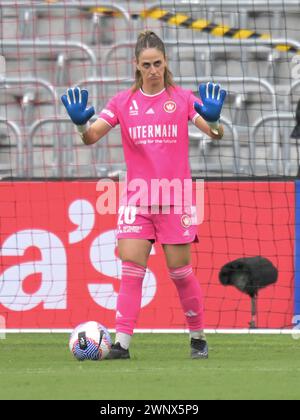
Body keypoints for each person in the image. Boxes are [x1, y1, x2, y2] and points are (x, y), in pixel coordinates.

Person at [61, 31, 226, 359]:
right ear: (136, 65)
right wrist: (81, 125)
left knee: (179, 273)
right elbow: (91, 137)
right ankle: (121, 344)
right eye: (147, 64)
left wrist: (214, 117)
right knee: (131, 270)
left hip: (175, 197)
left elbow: (216, 133)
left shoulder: (181, 98)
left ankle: (198, 338)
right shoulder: (122, 103)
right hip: (137, 200)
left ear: (166, 64)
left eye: (158, 64)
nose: (153, 70)